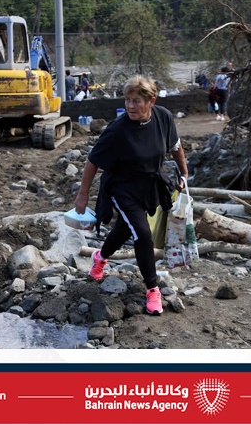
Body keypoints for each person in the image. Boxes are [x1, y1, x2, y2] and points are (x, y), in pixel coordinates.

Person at [74, 75, 188, 315]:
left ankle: (100, 257)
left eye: (136, 101)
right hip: (122, 187)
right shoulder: (117, 130)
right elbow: (93, 161)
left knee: (126, 228)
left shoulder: (164, 118)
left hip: (150, 184)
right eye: (127, 100)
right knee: (143, 233)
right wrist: (83, 196)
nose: (130, 106)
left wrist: (184, 174)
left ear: (151, 101)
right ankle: (152, 288)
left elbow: (176, 147)